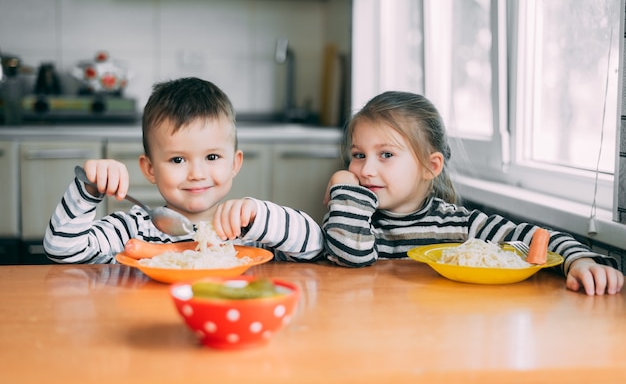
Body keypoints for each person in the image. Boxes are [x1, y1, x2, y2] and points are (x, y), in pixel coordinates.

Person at [322, 91, 624, 296]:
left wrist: (580, 261)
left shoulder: (463, 227)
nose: (365, 170)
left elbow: (538, 240)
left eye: (385, 155)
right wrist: (345, 186)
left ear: (430, 166)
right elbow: (349, 254)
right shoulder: (351, 217)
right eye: (358, 155)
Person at [44, 77, 324, 264]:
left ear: (235, 163)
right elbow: (62, 251)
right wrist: (88, 191)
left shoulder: (249, 229)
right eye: (178, 160)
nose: (197, 174)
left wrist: (261, 214)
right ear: (150, 169)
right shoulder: (132, 229)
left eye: (212, 156)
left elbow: (316, 246)